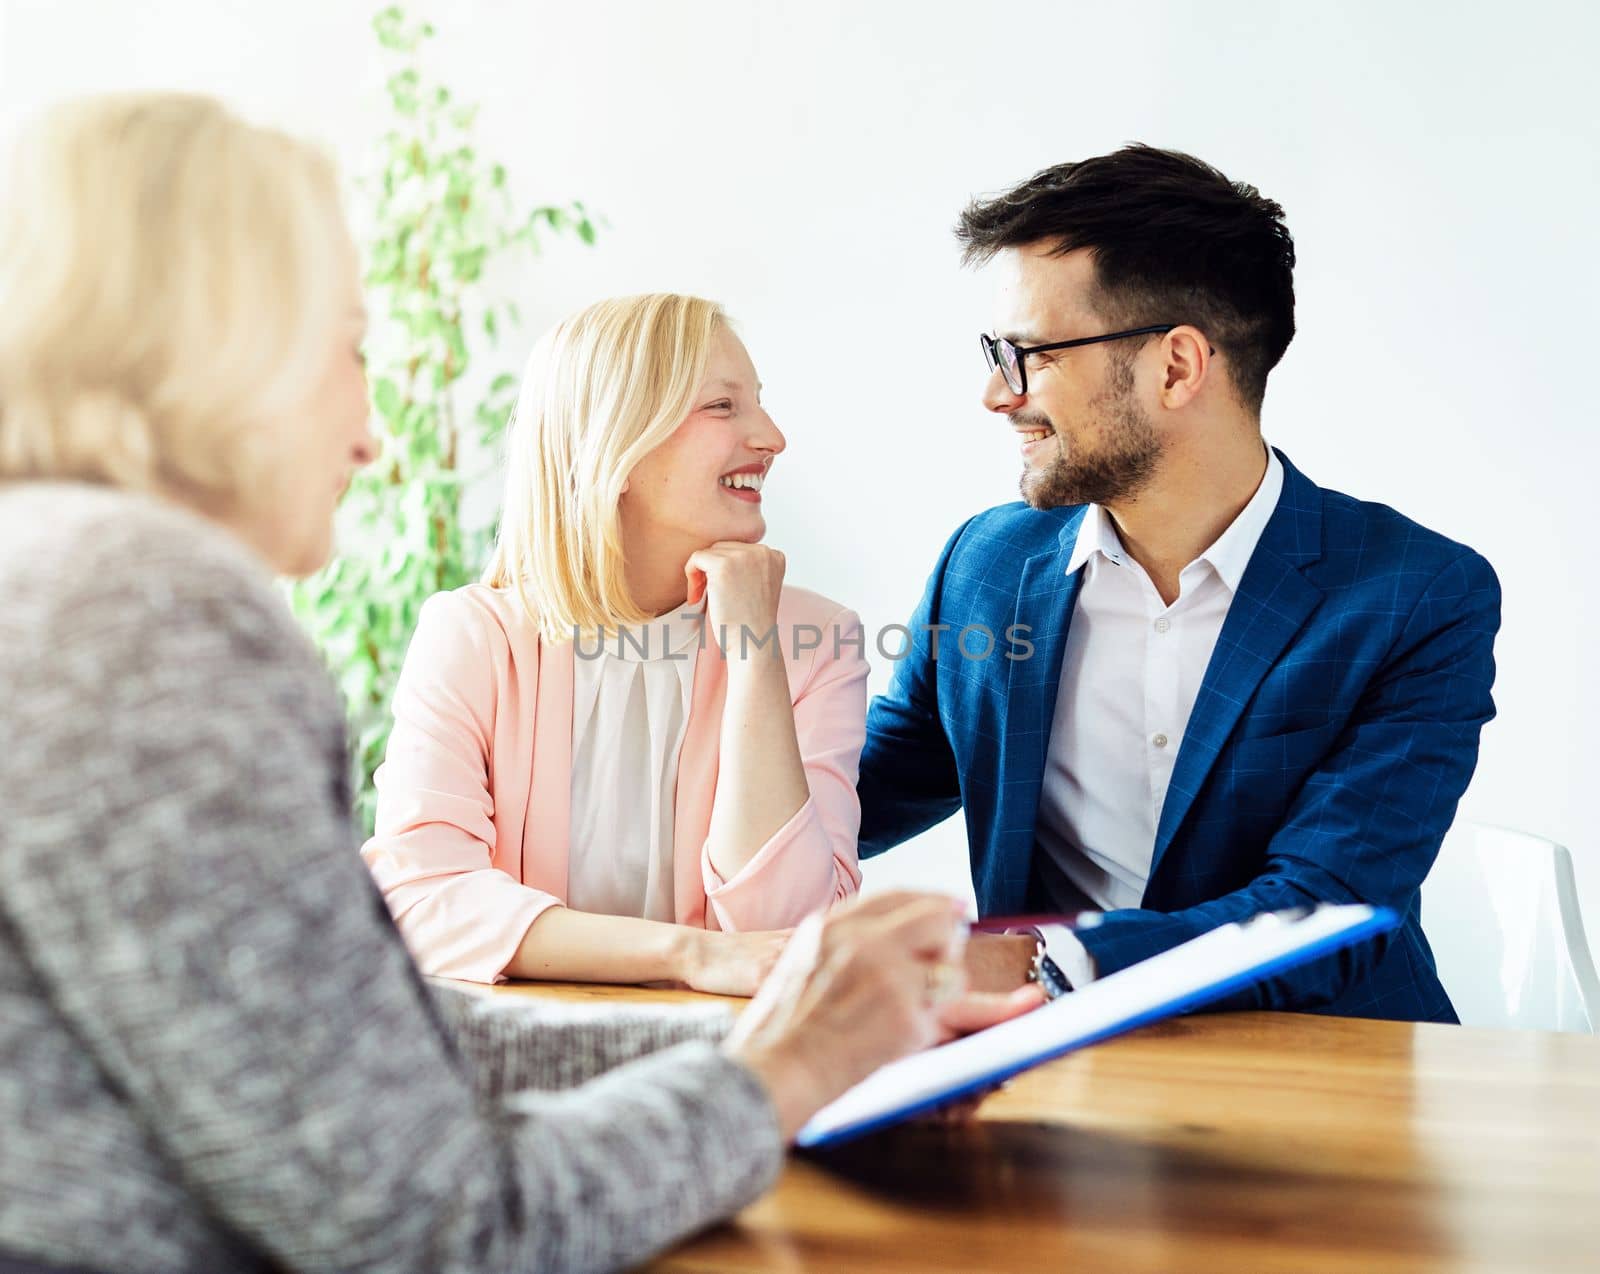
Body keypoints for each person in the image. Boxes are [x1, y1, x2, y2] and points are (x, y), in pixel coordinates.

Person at [0, 92, 1035, 1274]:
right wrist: (779, 1069)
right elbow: (443, 1223)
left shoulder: (55, 580)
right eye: (346, 348)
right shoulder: (139, 609)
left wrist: (813, 1037)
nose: (371, 434)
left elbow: (363, 1037)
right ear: (220, 348)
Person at [858, 145, 1501, 1022]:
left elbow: (1325, 911)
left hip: (1322, 1068)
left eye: (1028, 354)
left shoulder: (1417, 595)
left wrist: (1039, 964)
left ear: (1176, 366)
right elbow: (862, 788)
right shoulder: (988, 564)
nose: (995, 395)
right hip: (1044, 1069)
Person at [361, 292, 867, 991]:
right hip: (524, 1061)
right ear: (617, 444)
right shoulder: (475, 638)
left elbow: (791, 925)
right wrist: (689, 955)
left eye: (758, 403)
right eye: (723, 406)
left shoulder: (817, 641)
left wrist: (754, 653)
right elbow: (422, 902)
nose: (772, 436)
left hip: (734, 1062)